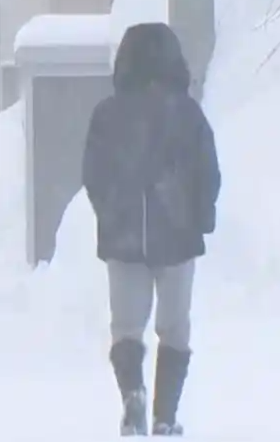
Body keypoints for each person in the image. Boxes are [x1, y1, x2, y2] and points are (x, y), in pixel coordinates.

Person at [82, 23, 221, 436]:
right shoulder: (187, 113)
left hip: (123, 237)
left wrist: (110, 212)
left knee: (126, 326)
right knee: (174, 327)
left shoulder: (107, 114)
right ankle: (164, 417)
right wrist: (202, 217)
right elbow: (208, 171)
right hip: (177, 236)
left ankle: (132, 394)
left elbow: (93, 173)